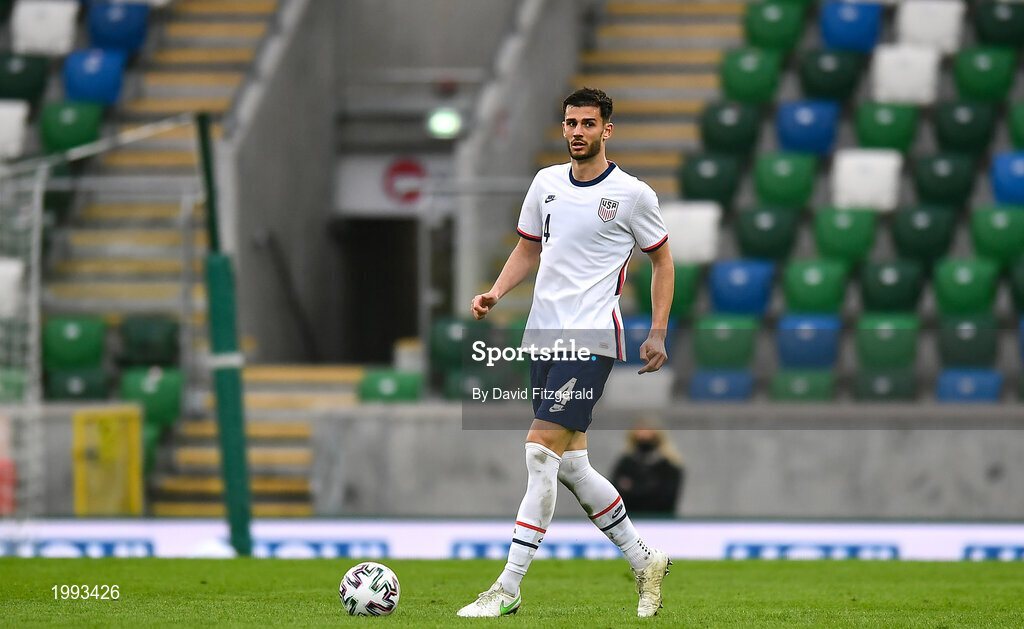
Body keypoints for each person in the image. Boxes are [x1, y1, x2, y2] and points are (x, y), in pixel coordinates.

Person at [457, 87, 675, 618]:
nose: (577, 131)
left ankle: (506, 589)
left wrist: (658, 333)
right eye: (570, 123)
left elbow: (663, 262)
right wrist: (495, 292)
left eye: (588, 123)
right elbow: (528, 247)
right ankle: (644, 558)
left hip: (593, 337)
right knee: (572, 464)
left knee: (538, 452)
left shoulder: (631, 194)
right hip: (543, 334)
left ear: (607, 130)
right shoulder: (546, 183)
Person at [612, 422, 685, 516]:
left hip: (661, 520)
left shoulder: (669, 465)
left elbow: (666, 498)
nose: (644, 435)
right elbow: (616, 493)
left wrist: (633, 488)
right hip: (630, 518)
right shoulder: (626, 463)